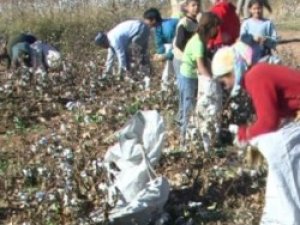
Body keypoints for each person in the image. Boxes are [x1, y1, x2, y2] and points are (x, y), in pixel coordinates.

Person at [212, 45, 300, 225]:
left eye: (223, 81)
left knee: (280, 153)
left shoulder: (255, 76)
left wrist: (246, 134)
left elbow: (269, 121)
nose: (226, 87)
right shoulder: (258, 73)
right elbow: (282, 111)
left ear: (232, 71)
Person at [178, 12, 220, 148]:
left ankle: (191, 138)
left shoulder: (202, 39)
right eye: (216, 27)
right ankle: (184, 141)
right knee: (189, 108)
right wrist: (212, 82)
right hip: (189, 77)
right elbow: (202, 67)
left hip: (191, 75)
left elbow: (206, 62)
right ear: (210, 27)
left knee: (193, 107)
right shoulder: (198, 43)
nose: (217, 30)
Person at [143, 8, 178, 91]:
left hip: (177, 51)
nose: (145, 22)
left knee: (170, 74)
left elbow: (177, 45)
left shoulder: (169, 27)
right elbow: (159, 43)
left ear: (153, 20)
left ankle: (167, 91)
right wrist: (159, 54)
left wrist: (166, 56)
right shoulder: (158, 28)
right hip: (172, 50)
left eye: (146, 20)